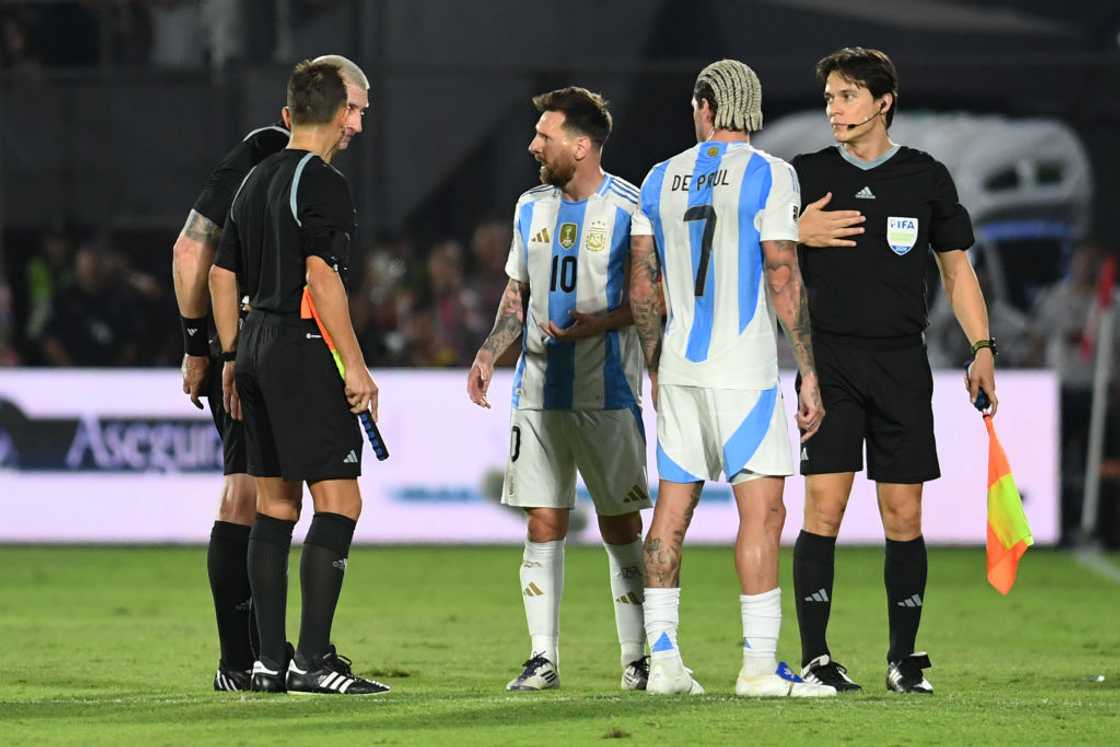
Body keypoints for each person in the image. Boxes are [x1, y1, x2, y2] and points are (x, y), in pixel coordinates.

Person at [790, 47, 996, 695]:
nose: (834, 108)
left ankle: (903, 659)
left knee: (904, 514)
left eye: (847, 95)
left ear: (883, 102)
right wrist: (795, 230)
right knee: (824, 506)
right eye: (829, 97)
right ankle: (818, 657)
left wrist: (982, 346)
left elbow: (956, 270)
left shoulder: (926, 177)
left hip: (903, 363)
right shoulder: (806, 173)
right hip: (830, 361)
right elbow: (757, 250)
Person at [629, 59, 833, 698]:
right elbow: (780, 271)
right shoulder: (771, 174)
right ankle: (758, 666)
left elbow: (642, 285)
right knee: (763, 513)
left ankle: (662, 662)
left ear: (704, 106)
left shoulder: (658, 178)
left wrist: (656, 363)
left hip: (682, 368)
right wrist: (808, 370)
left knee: (670, 514)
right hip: (743, 371)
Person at [172, 54, 366, 692]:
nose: (357, 125)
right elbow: (321, 277)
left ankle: (264, 661)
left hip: (250, 346)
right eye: (357, 112)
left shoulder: (253, 179)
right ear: (338, 114)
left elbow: (221, 273)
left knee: (274, 504)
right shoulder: (324, 181)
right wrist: (356, 366)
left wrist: (228, 354)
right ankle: (313, 661)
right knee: (340, 499)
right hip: (300, 344)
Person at [467, 87, 652, 692]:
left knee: (620, 527)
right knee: (542, 522)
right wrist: (490, 351)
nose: (533, 145)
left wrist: (601, 325)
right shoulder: (530, 207)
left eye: (544, 136)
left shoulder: (630, 207)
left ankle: (637, 658)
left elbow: (651, 302)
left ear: (581, 144)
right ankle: (542, 657)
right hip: (538, 392)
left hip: (609, 394)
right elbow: (516, 295)